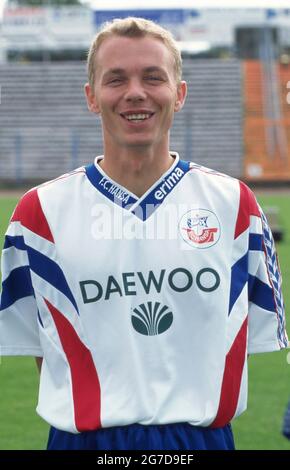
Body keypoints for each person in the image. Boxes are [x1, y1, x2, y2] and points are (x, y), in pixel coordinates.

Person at [0, 17, 288, 451]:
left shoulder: (235, 207)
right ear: (92, 97)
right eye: (116, 79)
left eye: (153, 77)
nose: (135, 92)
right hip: (83, 443)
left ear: (180, 93)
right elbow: (46, 350)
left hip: (200, 443)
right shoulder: (38, 214)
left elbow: (239, 342)